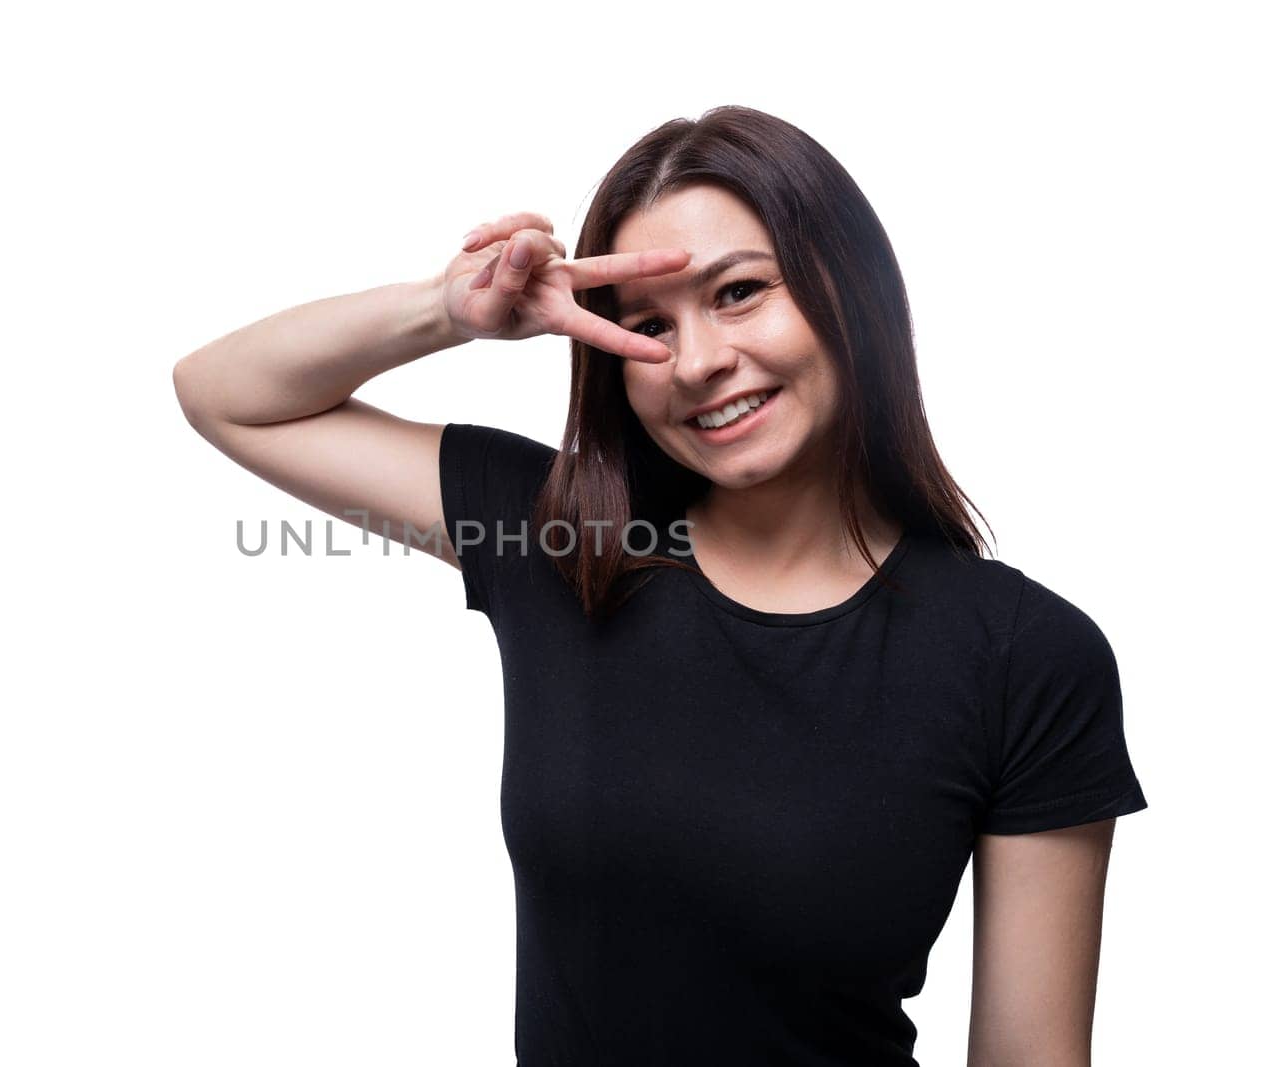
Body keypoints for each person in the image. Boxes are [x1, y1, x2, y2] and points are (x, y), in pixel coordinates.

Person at [171, 105, 1149, 1065]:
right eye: (646, 323)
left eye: (738, 292)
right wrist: (448, 310)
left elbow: (1030, 1053)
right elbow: (230, 397)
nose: (698, 362)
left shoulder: (1023, 654)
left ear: (849, 288)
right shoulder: (556, 540)